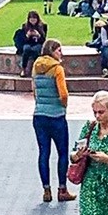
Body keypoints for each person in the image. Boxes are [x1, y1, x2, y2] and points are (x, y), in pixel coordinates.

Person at [32, 39, 73, 202]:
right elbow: (63, 94)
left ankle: (46, 190)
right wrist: (63, 105)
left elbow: (34, 90)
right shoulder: (57, 69)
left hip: (39, 115)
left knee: (44, 153)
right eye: (59, 51)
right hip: (56, 115)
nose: (61, 54)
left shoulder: (36, 66)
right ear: (52, 51)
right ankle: (62, 189)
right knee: (62, 153)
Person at [15, 11, 47, 77]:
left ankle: (35, 68)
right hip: (28, 43)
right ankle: (23, 68)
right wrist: (27, 35)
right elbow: (23, 40)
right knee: (26, 49)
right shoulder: (25, 26)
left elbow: (43, 40)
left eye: (34, 19)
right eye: (31, 19)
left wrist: (38, 35)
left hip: (38, 43)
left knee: (35, 50)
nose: (33, 21)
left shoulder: (43, 26)